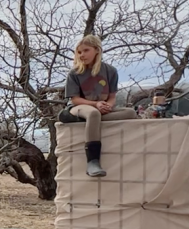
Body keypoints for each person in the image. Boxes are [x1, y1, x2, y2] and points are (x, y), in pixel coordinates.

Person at [58, 34, 138, 177]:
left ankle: (91, 122)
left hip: (100, 108)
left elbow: (112, 97)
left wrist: (108, 106)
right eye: (79, 52)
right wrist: (96, 104)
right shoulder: (75, 73)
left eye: (86, 50)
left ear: (97, 50)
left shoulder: (110, 71)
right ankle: (92, 162)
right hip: (80, 107)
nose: (82, 55)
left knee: (131, 113)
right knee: (93, 114)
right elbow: (75, 99)